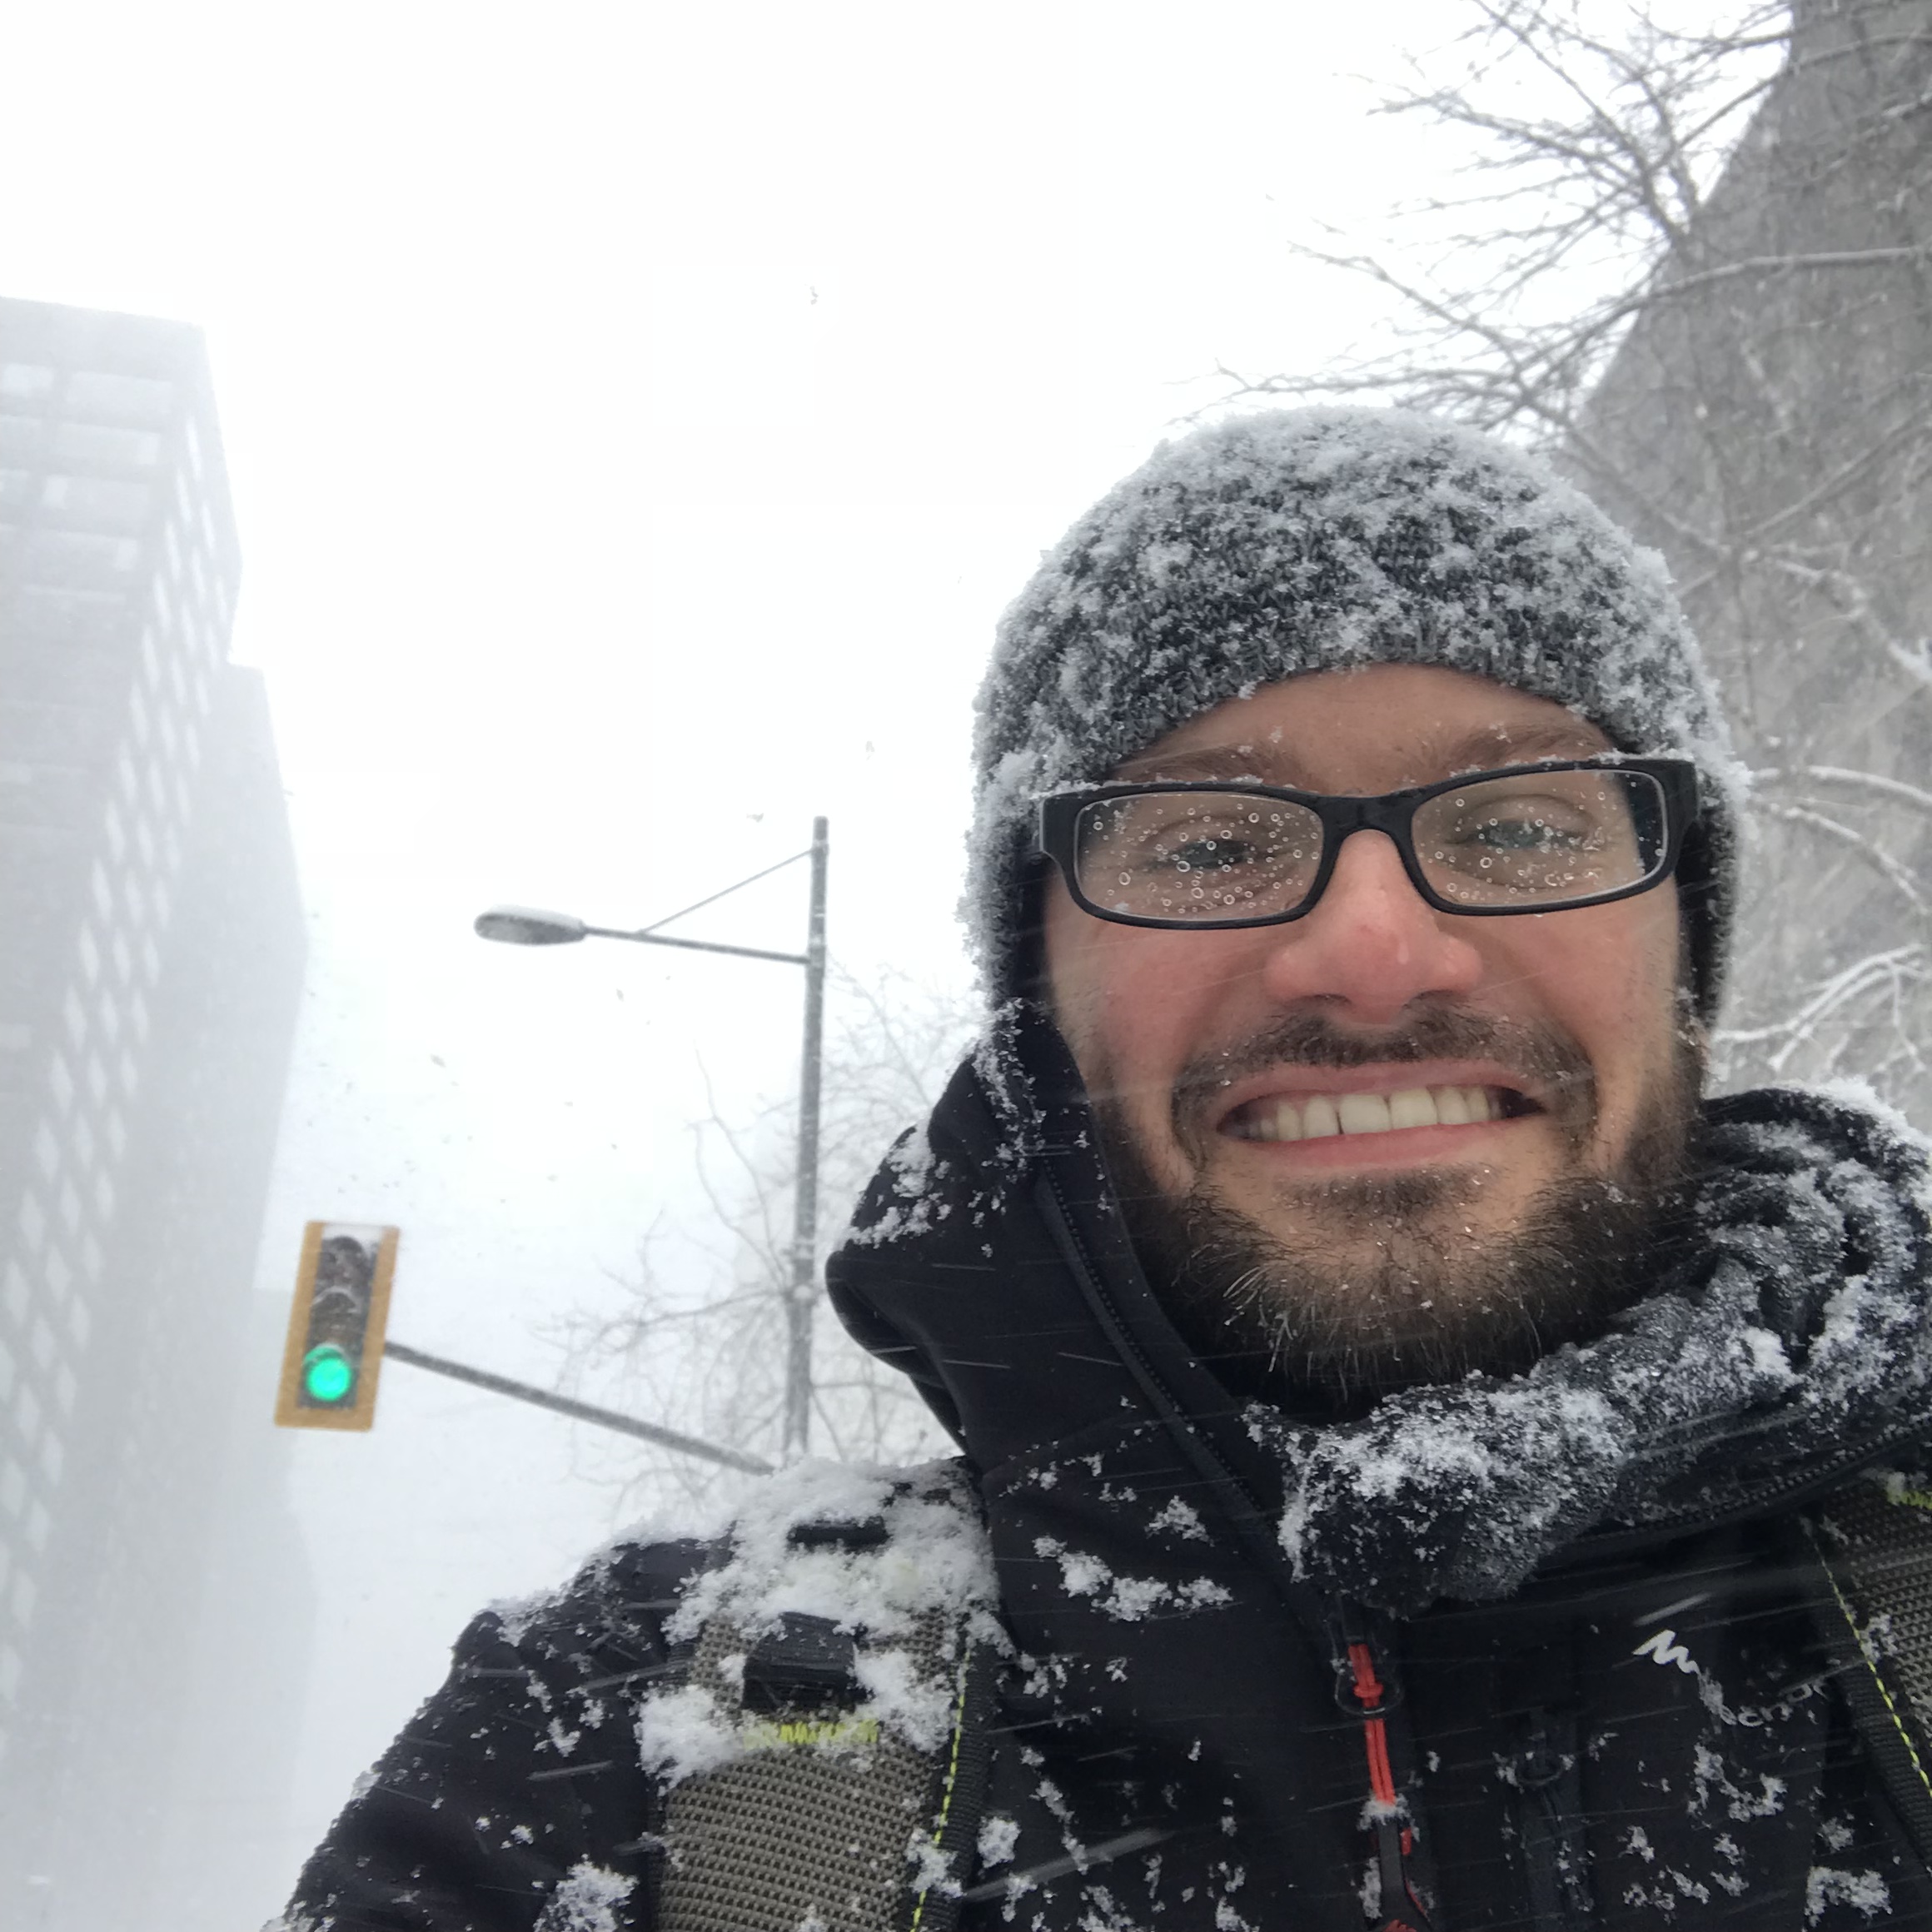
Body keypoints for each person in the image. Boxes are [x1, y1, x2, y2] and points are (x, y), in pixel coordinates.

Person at [277, 411, 1932, 1932]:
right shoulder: (624, 1748)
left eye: (1516, 828)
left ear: (1680, 951)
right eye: (1211, 842)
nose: (1375, 952)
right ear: (1043, 1005)